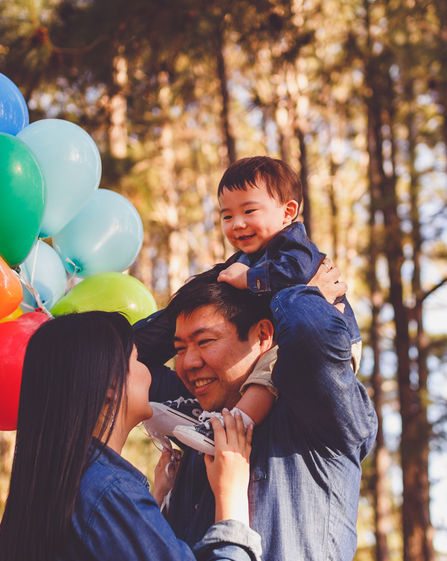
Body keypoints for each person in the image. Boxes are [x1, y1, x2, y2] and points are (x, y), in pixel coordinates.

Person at [136, 266, 376, 561]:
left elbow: (311, 333)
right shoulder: (197, 424)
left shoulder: (314, 413)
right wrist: (222, 273)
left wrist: (279, 282)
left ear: (264, 336)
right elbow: (116, 359)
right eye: (180, 348)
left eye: (205, 341)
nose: (188, 362)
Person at [0, 311, 262, 561]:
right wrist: (231, 498)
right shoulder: (105, 490)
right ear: (109, 384)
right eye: (137, 361)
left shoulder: (46, 490)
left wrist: (152, 503)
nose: (149, 372)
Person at [145, 156, 362, 454]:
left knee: (270, 365)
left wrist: (250, 279)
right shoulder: (246, 259)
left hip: (334, 344)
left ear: (288, 212)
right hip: (292, 339)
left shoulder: (292, 244)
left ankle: (235, 423)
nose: (238, 224)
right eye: (227, 216)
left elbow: (296, 274)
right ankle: (204, 413)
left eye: (249, 211)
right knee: (267, 361)